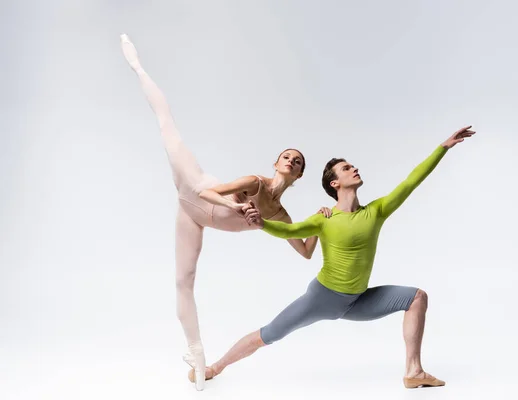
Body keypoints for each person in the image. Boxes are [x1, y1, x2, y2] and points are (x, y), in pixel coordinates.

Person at [119, 34, 331, 391]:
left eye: (298, 161)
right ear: (276, 162)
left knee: (183, 281)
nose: (291, 160)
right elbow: (207, 191)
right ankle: (138, 65)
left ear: (299, 175)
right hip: (193, 185)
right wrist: (236, 204)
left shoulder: (279, 216)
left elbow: (306, 252)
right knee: (166, 123)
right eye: (287, 156)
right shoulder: (255, 182)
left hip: (193, 217)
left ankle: (196, 352)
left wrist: (322, 224)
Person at [199, 126, 476, 389]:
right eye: (347, 168)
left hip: (358, 301)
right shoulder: (324, 219)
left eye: (353, 166)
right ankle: (215, 368)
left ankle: (414, 372)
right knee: (269, 334)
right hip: (322, 298)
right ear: (335, 182)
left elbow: (411, 181)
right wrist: (262, 223)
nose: (354, 169)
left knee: (416, 297)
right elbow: (290, 230)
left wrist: (443, 147)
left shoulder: (377, 210)